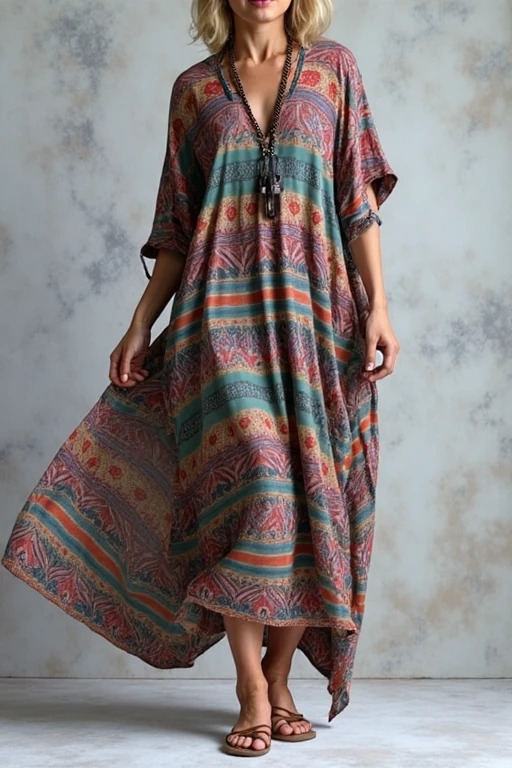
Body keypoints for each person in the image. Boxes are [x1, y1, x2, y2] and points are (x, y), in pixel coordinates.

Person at [1, 0, 399, 758]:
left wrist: (378, 306)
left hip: (318, 320)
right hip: (219, 321)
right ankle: (250, 688)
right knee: (260, 491)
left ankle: (280, 677)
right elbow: (179, 226)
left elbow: (357, 203)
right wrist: (140, 323)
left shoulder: (334, 71)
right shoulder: (195, 90)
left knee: (310, 502)